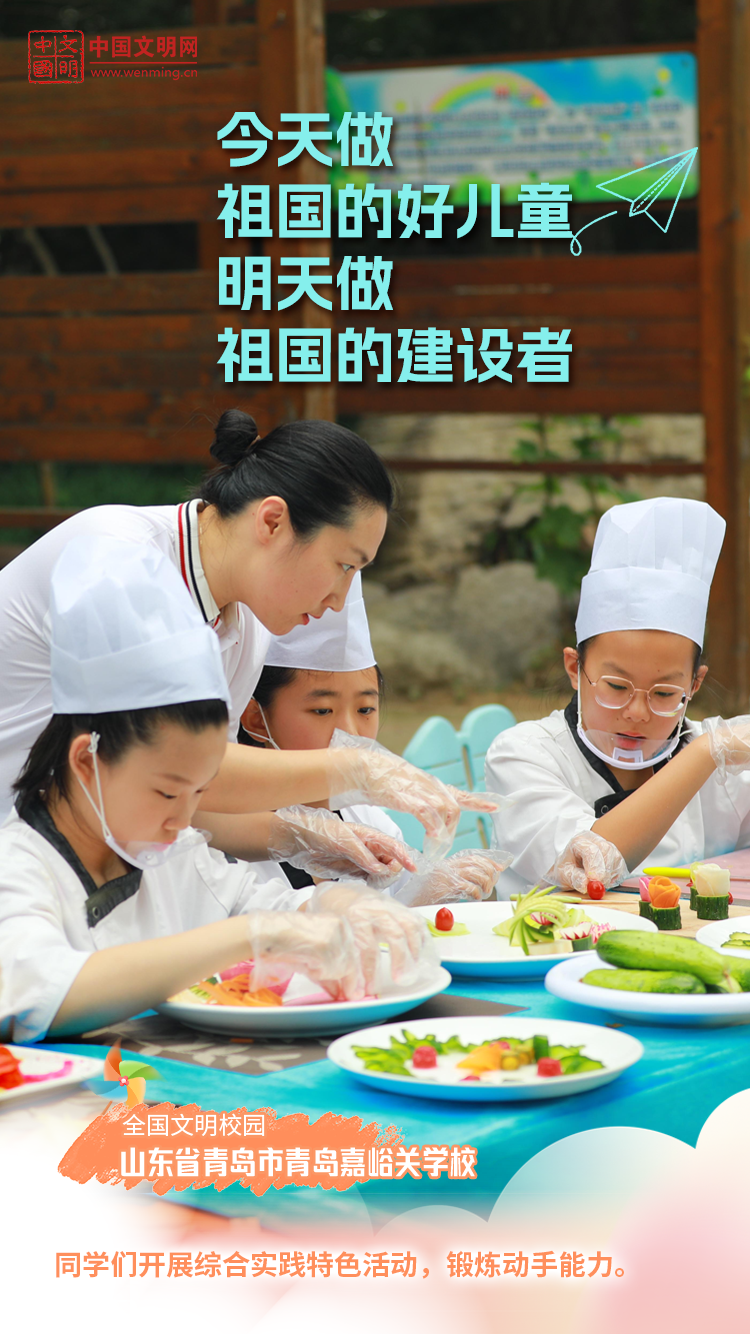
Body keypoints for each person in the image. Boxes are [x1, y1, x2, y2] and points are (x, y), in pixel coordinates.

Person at [0, 410, 489, 876]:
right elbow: (173, 760)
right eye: (345, 565)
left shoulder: (246, 624)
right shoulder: (117, 557)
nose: (340, 600)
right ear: (272, 521)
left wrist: (306, 838)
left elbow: (189, 798)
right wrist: (357, 769)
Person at [0, 537, 432, 1045]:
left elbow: (254, 900)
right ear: (86, 761)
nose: (183, 821)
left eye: (200, 793)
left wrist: (335, 905)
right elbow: (33, 993)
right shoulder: (19, 867)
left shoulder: (173, 854)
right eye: (167, 793)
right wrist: (248, 936)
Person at [484, 497, 750, 896]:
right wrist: (703, 754)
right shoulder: (523, 755)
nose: (637, 712)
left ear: (695, 685)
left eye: (665, 693)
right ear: (575, 668)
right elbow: (589, 863)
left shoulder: (731, 764)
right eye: (616, 687)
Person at [233, 575, 505, 905]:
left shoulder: (368, 819)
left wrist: (428, 890)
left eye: (365, 709)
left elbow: (391, 905)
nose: (349, 732)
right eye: (322, 710)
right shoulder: (227, 837)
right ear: (255, 718)